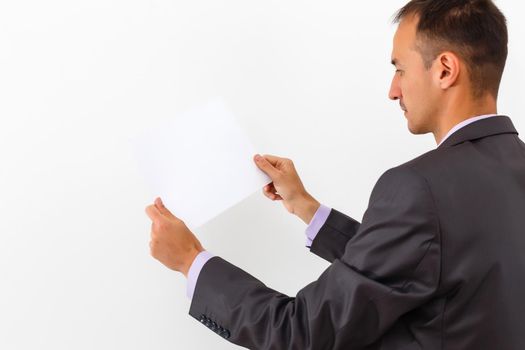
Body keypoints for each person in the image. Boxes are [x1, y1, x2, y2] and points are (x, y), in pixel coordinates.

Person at [145, 0, 525, 348]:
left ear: (444, 69)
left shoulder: (419, 188)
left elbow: (303, 332)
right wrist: (307, 208)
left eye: (400, 68)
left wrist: (191, 260)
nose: (393, 90)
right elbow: (424, 265)